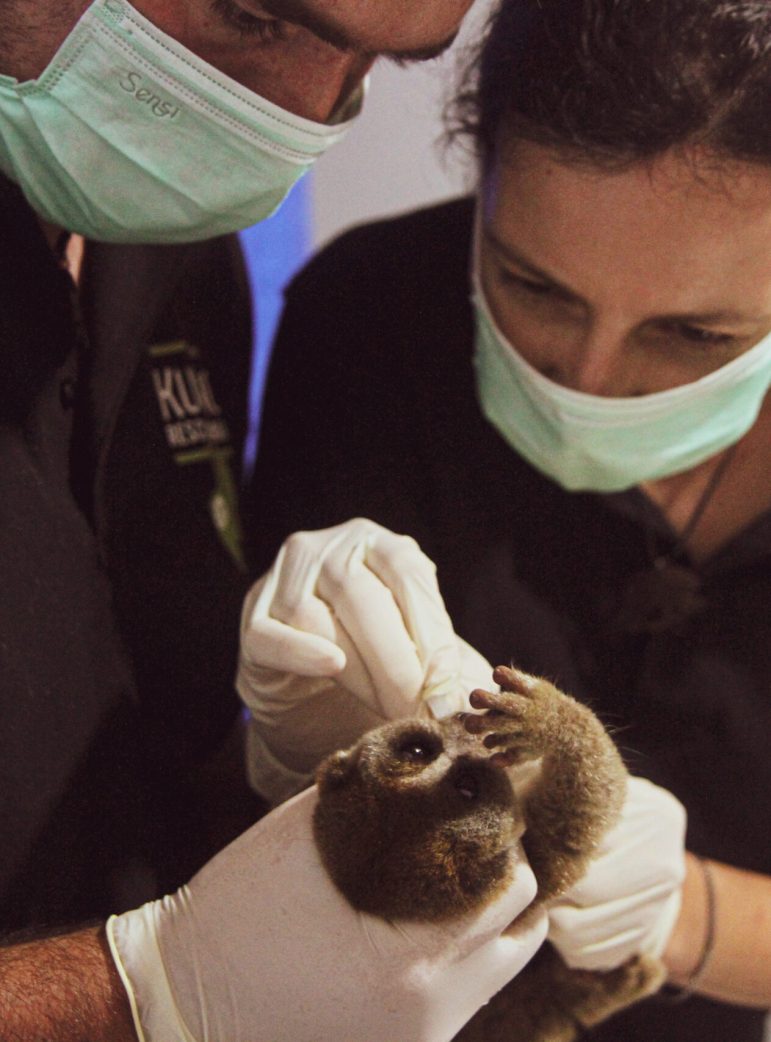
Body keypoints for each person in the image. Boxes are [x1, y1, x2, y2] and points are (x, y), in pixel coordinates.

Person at [0, 0, 556, 1039]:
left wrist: (293, 761)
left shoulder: (156, 223)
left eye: (382, 62)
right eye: (254, 15)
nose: (299, 117)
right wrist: (140, 992)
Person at [240, 1, 771, 1040]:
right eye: (534, 285)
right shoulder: (370, 322)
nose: (587, 378)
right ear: (477, 178)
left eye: (695, 332)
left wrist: (679, 907)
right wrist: (302, 740)